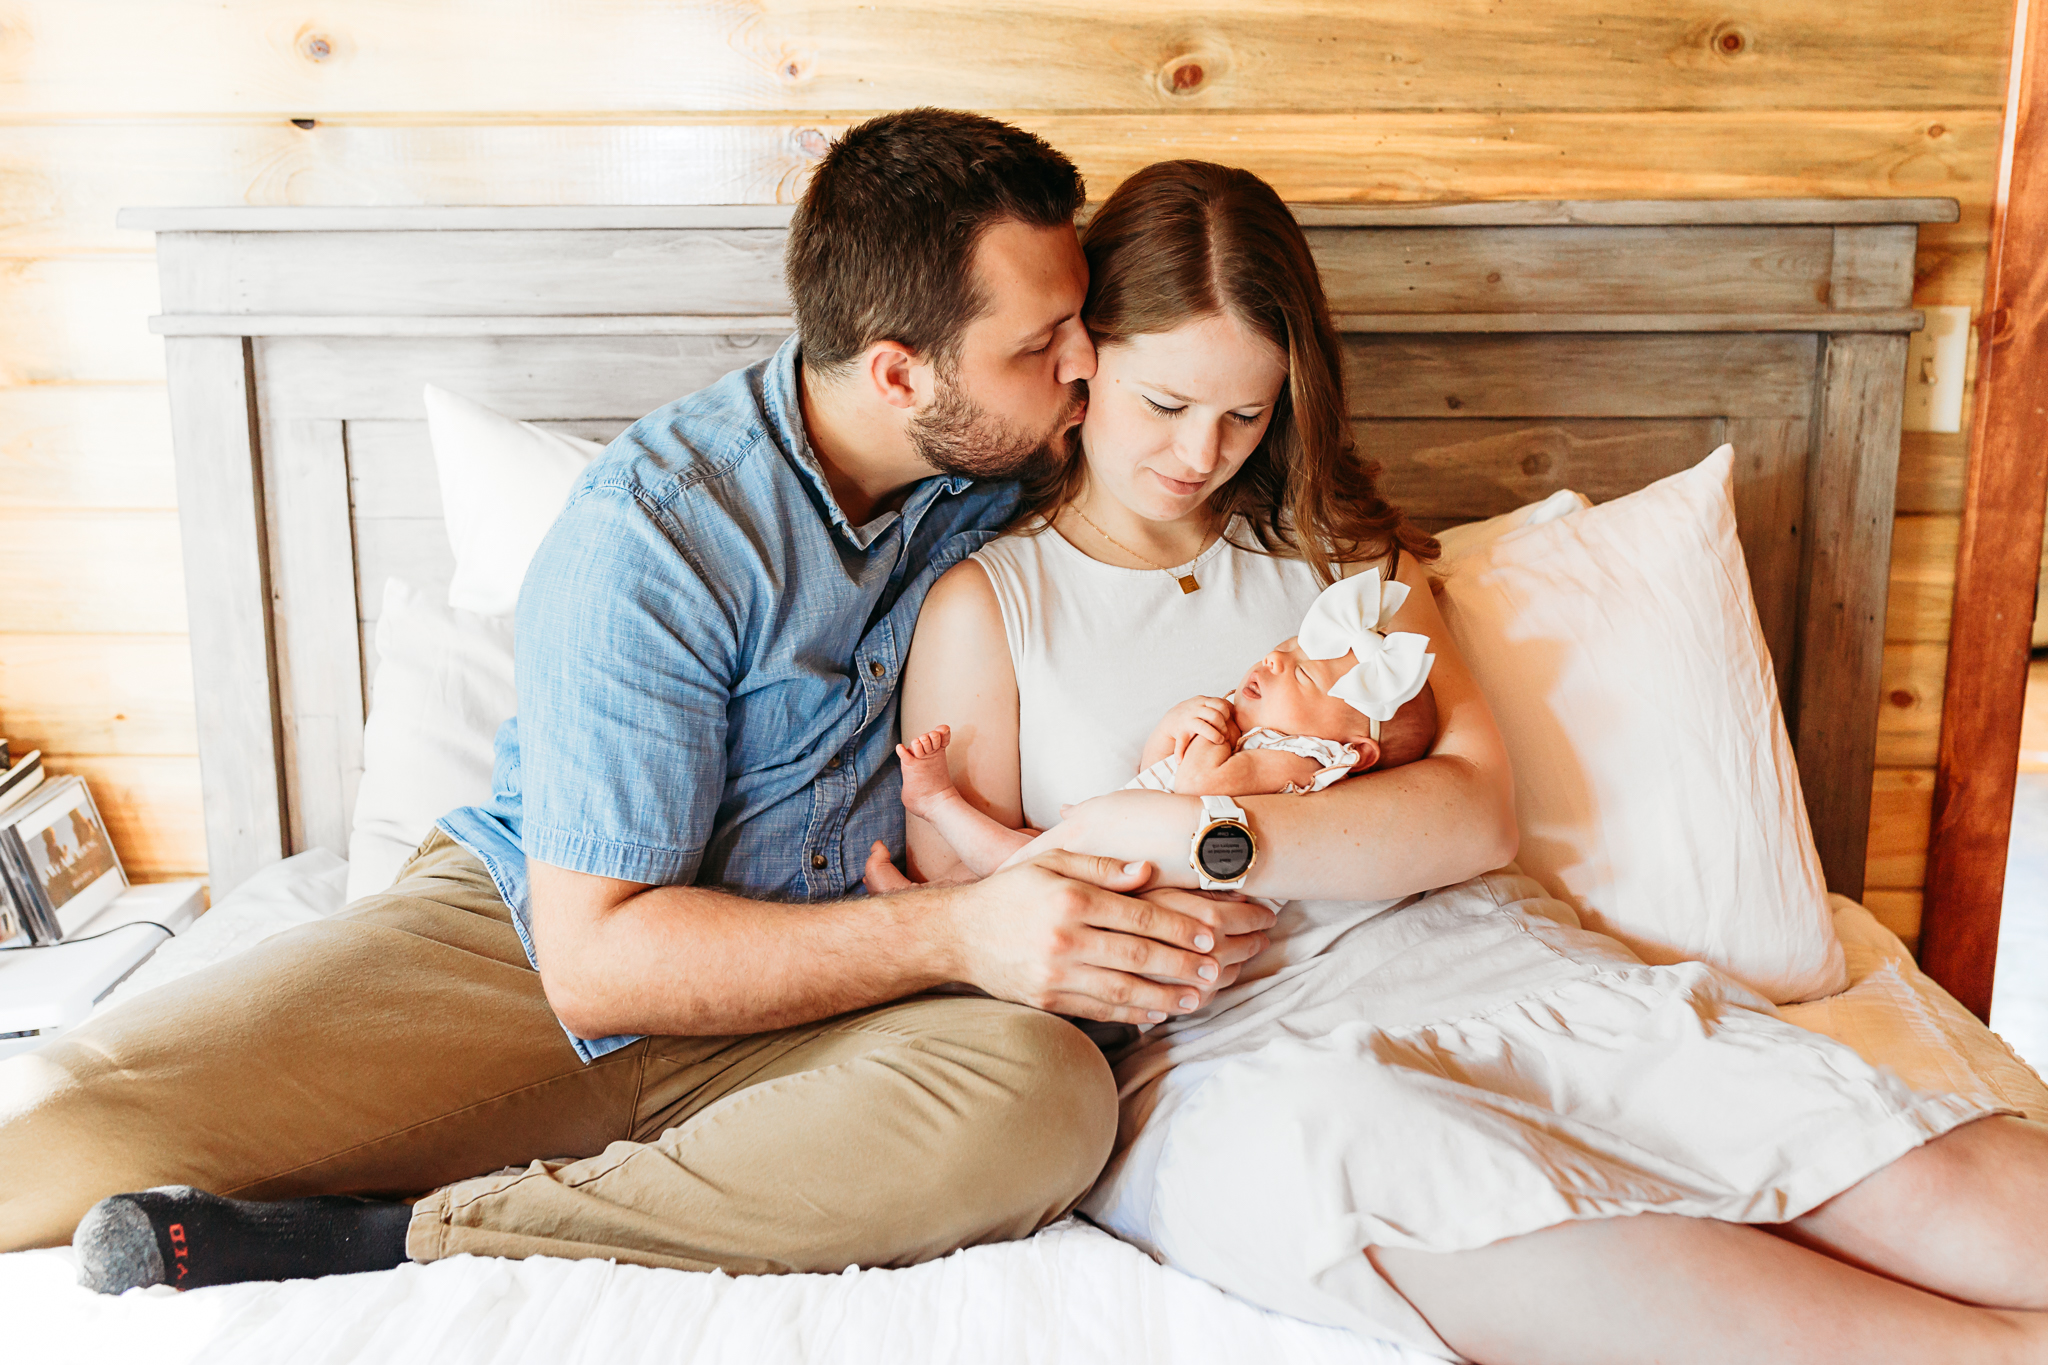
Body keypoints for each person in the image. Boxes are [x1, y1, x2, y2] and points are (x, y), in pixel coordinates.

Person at [4, 109, 1278, 1291]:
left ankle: (399, 1234)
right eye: (1042, 345)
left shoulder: (1011, 467)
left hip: (837, 1005)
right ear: (900, 376)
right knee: (67, 1124)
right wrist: (961, 932)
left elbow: (1232, 497)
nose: (1082, 370)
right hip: (536, 957)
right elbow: (601, 965)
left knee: (1044, 1101)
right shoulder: (656, 531)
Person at [896, 157, 2048, 1363]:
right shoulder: (991, 608)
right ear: (1084, 357)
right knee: (1400, 1172)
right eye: (1166, 405)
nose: (1202, 453)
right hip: (1222, 1046)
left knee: (1821, 1133)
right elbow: (975, 923)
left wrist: (1197, 836)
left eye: (1247, 413)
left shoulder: (1341, 559)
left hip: (1479, 957)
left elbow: (1471, 819)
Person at [875, 567, 1439, 889]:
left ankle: (937, 801)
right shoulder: (1253, 733)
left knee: (1018, 866)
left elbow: (1199, 792)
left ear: (1357, 750)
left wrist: (1208, 742)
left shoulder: (1306, 760)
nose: (1273, 663)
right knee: (1022, 855)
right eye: (1282, 650)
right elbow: (1154, 777)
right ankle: (925, 887)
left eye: (1306, 677)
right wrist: (1174, 728)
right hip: (1133, 840)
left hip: (1152, 875)